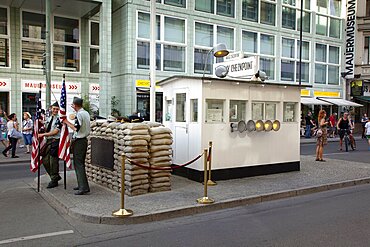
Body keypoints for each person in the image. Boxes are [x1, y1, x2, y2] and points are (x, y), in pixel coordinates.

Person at [62, 97, 91, 195]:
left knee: (79, 164)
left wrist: (66, 122)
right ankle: (82, 184)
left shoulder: (79, 114)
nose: (72, 106)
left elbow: (76, 128)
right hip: (83, 140)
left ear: (75, 105)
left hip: (79, 141)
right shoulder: (86, 113)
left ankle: (83, 187)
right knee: (79, 163)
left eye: (72, 105)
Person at [38, 102, 62, 188]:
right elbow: (46, 128)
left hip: (55, 141)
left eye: (57, 109)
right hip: (48, 141)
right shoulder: (48, 118)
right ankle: (55, 176)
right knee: (45, 161)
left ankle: (54, 180)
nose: (55, 110)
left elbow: (56, 131)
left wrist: (43, 135)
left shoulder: (60, 119)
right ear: (51, 108)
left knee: (53, 161)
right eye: (54, 108)